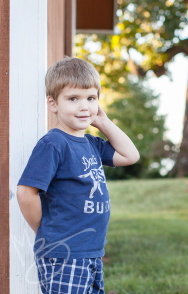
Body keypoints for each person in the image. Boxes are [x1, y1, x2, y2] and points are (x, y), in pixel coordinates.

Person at [17, 57, 140, 294]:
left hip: (91, 251)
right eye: (73, 99)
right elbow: (26, 192)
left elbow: (130, 155)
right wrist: (42, 229)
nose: (84, 106)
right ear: (53, 104)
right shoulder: (54, 144)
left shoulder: (91, 143)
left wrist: (103, 121)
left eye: (91, 98)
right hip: (64, 252)